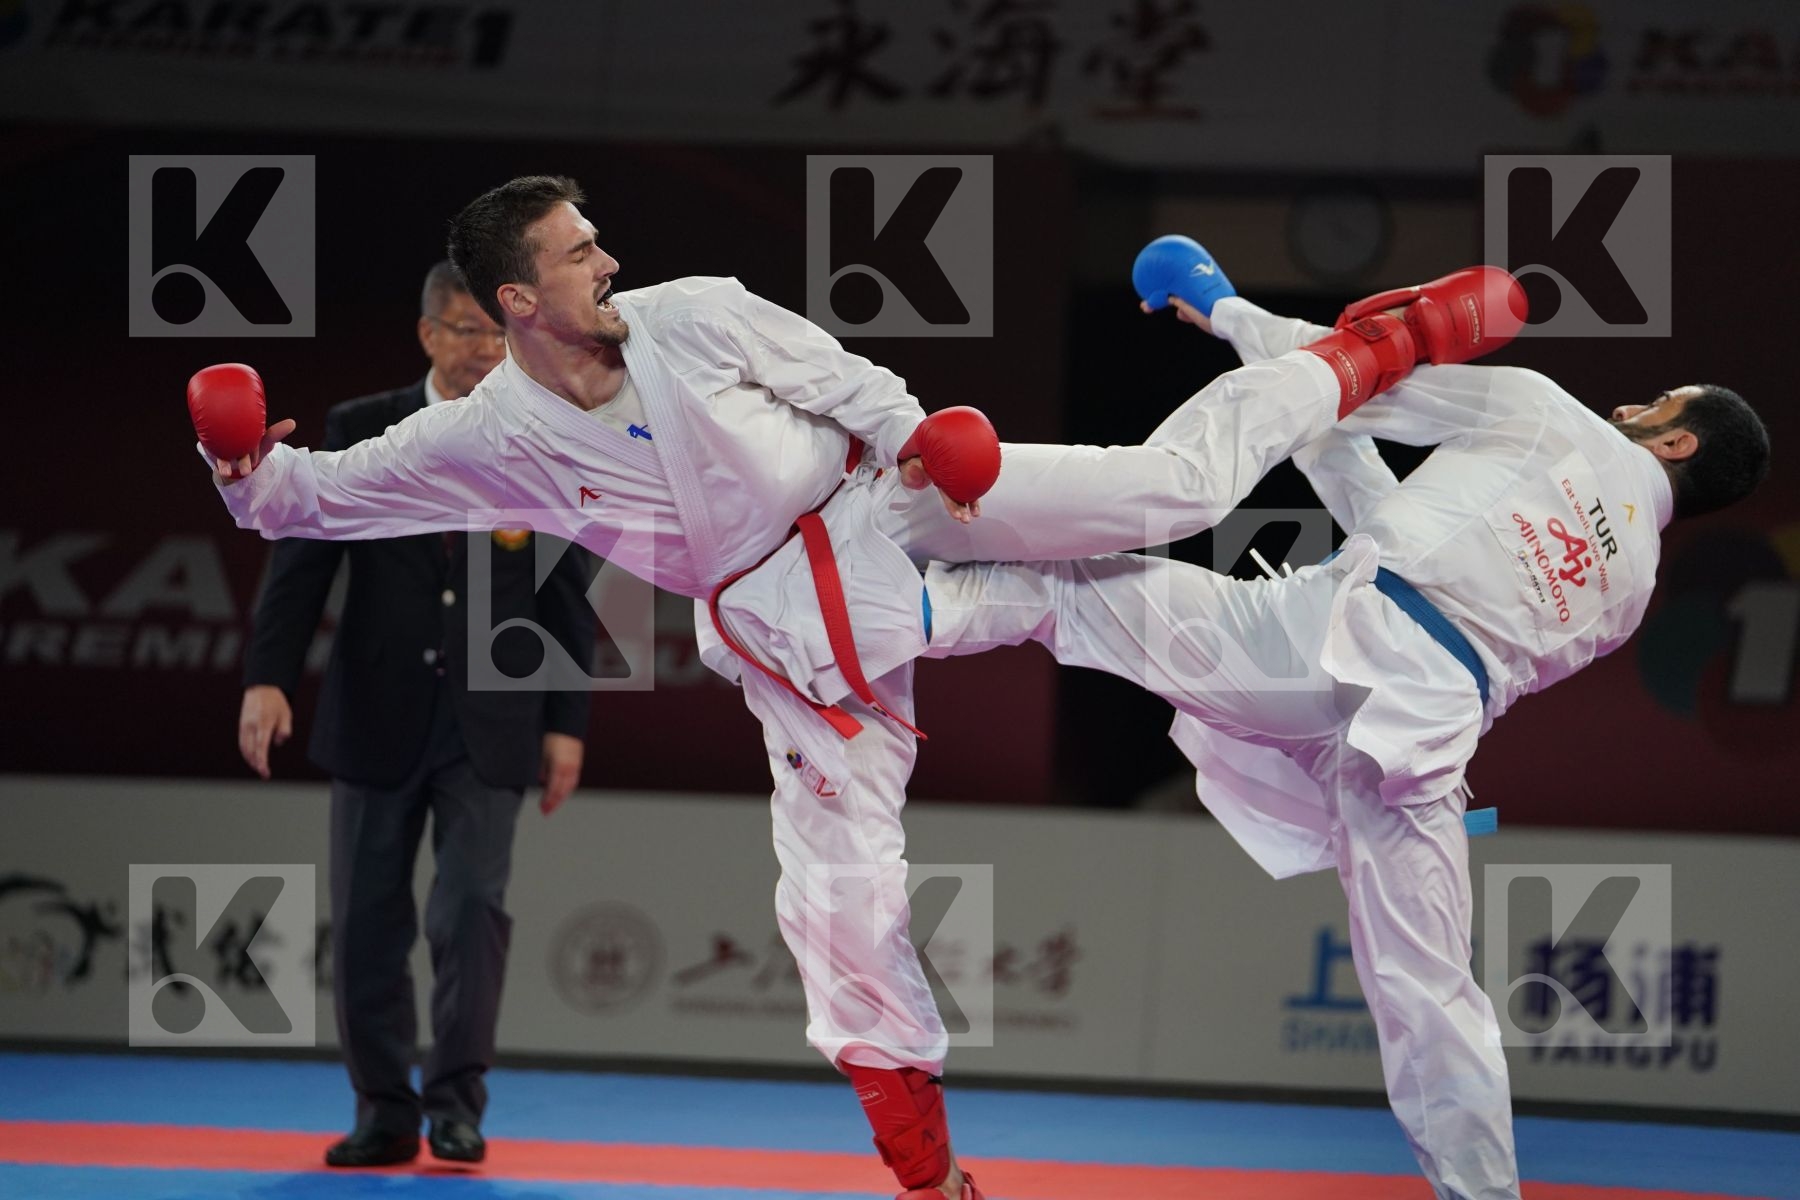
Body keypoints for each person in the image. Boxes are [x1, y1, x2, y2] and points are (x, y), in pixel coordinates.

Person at [190, 178, 1521, 1200]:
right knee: (839, 901)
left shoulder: (696, 312)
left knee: (1162, 488)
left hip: (900, 509)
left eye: (599, 238)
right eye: (575, 252)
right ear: (517, 300)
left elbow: (855, 385)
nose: (607, 260)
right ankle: (926, 1168)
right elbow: (330, 500)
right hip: (791, 638)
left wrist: (920, 438)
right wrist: (243, 461)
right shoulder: (489, 435)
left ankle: (1375, 350)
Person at [917, 278, 1770, 1199]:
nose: (1627, 406)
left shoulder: (1547, 412)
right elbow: (1407, 532)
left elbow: (1342, 372)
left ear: (1677, 441)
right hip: (1417, 750)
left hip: (1311, 650)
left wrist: (1223, 305)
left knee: (1072, 590)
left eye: (1655, 406)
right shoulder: (1633, 592)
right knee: (1432, 994)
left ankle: (876, 604)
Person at [236, 261, 599, 1168]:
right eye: (467, 330)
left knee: (471, 910)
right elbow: (301, 556)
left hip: (495, 720)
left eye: (498, 331)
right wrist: (268, 676)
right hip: (376, 708)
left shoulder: (540, 432)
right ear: (429, 334)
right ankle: (385, 1110)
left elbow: (566, 590)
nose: (486, 349)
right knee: (367, 923)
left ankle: (457, 1106)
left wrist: (569, 722)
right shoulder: (364, 427)